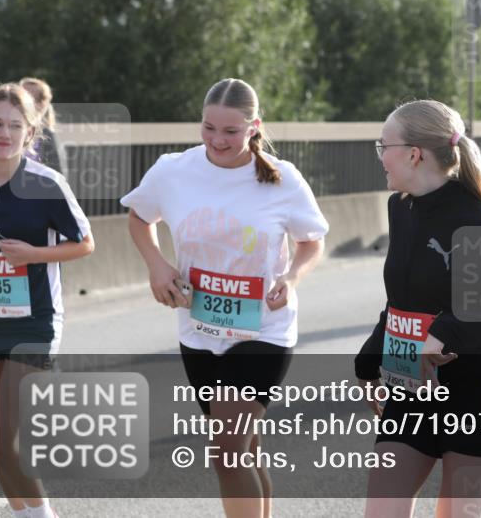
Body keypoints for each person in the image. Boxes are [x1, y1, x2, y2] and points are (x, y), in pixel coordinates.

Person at [121, 78, 329, 518]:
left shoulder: (282, 178)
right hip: (198, 331)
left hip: (264, 330)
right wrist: (157, 265)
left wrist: (291, 277)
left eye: (230, 131)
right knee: (244, 451)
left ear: (255, 126)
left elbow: (312, 242)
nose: (217, 140)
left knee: (225, 452)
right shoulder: (172, 170)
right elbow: (139, 218)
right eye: (208, 128)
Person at [356, 99, 481, 518]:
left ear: (413, 153)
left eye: (382, 145)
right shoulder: (400, 208)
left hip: (473, 395)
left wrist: (446, 330)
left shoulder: (475, 221)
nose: (379, 155)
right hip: (409, 390)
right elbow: (402, 299)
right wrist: (368, 361)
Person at [0, 83, 94, 518]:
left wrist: (35, 255)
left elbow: (85, 243)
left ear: (30, 135)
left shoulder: (46, 184)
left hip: (35, 322)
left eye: (14, 126)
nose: (3, 134)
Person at [19, 77, 66, 178]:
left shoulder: (47, 135)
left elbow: (57, 172)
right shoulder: (4, 128)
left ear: (41, 104)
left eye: (28, 98)